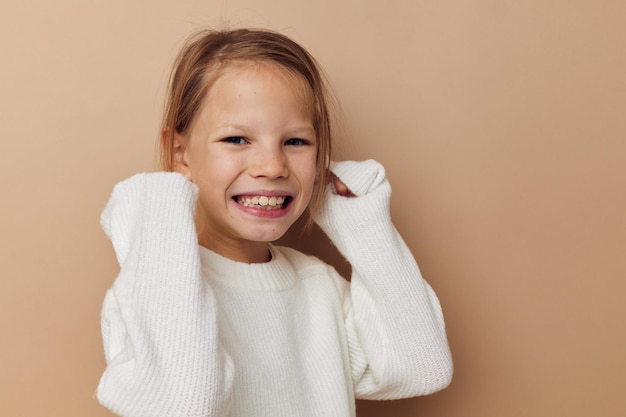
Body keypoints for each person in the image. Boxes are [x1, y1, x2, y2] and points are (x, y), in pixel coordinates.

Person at [96, 28, 453, 417]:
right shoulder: (152, 291)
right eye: (236, 139)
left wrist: (363, 221)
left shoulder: (320, 287)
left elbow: (422, 369)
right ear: (180, 154)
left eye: (296, 142)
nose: (272, 167)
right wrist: (158, 217)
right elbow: (181, 405)